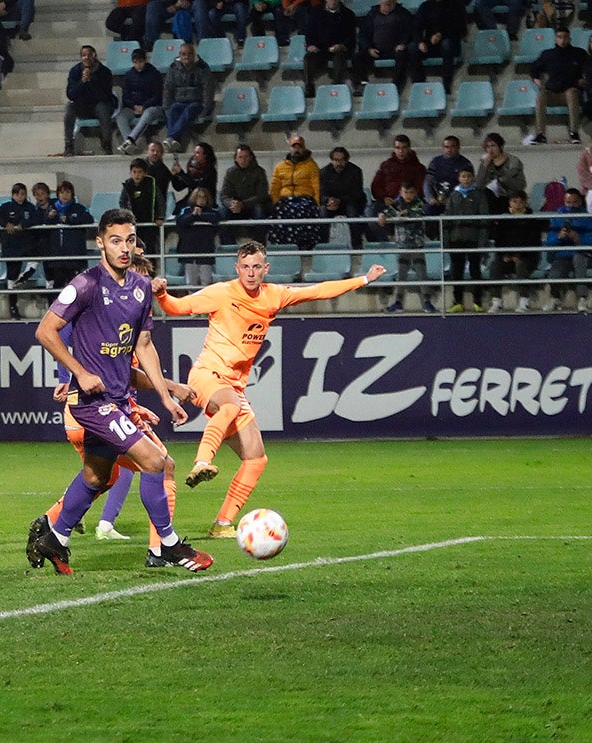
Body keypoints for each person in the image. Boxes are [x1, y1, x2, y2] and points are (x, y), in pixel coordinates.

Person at [151, 241, 386, 537]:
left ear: (266, 269)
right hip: (206, 376)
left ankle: (222, 524)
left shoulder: (274, 296)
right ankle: (201, 462)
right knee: (231, 405)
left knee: (256, 458)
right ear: (237, 269)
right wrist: (161, 294)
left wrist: (363, 279)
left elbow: (318, 290)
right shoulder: (222, 293)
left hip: (234, 384)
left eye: (256, 267)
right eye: (245, 267)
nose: (251, 273)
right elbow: (178, 307)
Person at [28, 208, 212, 574]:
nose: (124, 247)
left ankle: (55, 537)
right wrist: (79, 372)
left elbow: (143, 347)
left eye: (129, 239)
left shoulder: (141, 288)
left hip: (116, 401)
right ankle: (169, 546)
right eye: (115, 240)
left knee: (98, 477)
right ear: (100, 243)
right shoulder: (85, 285)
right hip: (90, 402)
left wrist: (164, 395)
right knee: (156, 462)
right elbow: (45, 331)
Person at [375, 180, 432, 313]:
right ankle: (398, 302)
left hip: (417, 245)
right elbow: (387, 212)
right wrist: (382, 215)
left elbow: (419, 214)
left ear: (415, 193)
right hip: (402, 245)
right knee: (401, 275)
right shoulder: (396, 204)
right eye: (405, 192)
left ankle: (427, 302)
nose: (408, 195)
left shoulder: (419, 203)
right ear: (400, 192)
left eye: (411, 192)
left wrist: (405, 214)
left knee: (421, 274)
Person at [525, 27, 587, 146]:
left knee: (572, 93)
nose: (562, 40)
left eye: (565, 37)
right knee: (541, 95)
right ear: (555, 39)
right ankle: (540, 134)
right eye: (559, 37)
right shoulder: (548, 54)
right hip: (553, 92)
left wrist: (584, 80)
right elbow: (534, 69)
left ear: (570, 39)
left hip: (571, 90)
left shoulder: (579, 53)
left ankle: (574, 132)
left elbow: (590, 69)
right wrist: (536, 79)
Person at [442, 166, 491, 313]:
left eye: (469, 176)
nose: (466, 179)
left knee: (475, 271)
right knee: (456, 271)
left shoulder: (479, 195)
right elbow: (447, 219)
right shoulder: (453, 195)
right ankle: (458, 301)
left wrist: (482, 241)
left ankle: (478, 301)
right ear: (459, 178)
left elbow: (484, 219)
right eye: (463, 176)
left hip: (474, 239)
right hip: (456, 239)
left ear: (473, 178)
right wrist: (446, 241)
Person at [487, 190, 544, 312]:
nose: (517, 204)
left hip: (528, 258)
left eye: (520, 202)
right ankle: (496, 301)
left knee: (521, 265)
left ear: (525, 203)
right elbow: (499, 241)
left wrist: (520, 255)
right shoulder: (503, 219)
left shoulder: (532, 220)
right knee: (495, 266)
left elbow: (534, 242)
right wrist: (505, 255)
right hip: (507, 257)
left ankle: (524, 301)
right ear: (509, 202)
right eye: (514, 201)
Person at [543, 187, 592, 312]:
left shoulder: (588, 218)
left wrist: (579, 240)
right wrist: (558, 238)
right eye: (568, 203)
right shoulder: (556, 218)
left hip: (582, 253)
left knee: (579, 259)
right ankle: (555, 297)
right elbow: (549, 243)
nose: (571, 206)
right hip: (563, 254)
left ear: (580, 202)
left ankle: (582, 298)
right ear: (564, 202)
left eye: (574, 202)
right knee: (555, 271)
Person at [0, 182, 38, 320]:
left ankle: (23, 278)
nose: (21, 197)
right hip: (11, 247)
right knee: (11, 277)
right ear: (13, 195)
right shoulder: (6, 207)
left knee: (35, 261)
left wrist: (24, 224)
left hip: (27, 245)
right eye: (18, 194)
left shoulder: (30, 208)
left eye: (23, 194)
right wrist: (6, 224)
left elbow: (36, 218)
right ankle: (13, 306)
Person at [268, 132, 321, 249]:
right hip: (285, 199)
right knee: (278, 213)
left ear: (303, 148)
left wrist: (317, 203)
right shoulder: (280, 166)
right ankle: (283, 246)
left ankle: (304, 246)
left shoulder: (312, 166)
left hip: (305, 198)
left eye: (299, 147)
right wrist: (275, 202)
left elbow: (316, 186)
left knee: (303, 212)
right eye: (294, 147)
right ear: (290, 148)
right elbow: (274, 187)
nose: (296, 150)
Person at [351, 0, 415, 94]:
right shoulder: (372, 14)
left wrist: (404, 44)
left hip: (396, 50)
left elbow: (411, 32)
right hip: (376, 50)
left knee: (402, 56)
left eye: (391, 1)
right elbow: (363, 35)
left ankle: (396, 87)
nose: (388, 3)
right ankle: (362, 85)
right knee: (357, 57)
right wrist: (369, 48)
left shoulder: (403, 14)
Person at [161, 42, 214, 153]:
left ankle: (171, 137)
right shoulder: (173, 68)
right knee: (174, 109)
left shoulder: (202, 68)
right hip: (179, 101)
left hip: (196, 102)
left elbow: (208, 89)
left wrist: (205, 109)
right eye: (184, 54)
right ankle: (174, 141)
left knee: (189, 110)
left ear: (193, 54)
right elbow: (168, 88)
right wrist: (166, 107)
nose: (186, 57)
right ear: (180, 55)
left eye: (189, 54)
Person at [64, 45, 116, 157]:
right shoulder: (75, 71)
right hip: (82, 106)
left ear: (95, 56)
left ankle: (107, 144)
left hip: (98, 104)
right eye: (83, 55)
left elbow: (105, 95)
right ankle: (68, 145)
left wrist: (91, 80)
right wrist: (83, 82)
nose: (86, 58)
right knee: (69, 108)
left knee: (103, 108)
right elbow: (71, 94)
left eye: (89, 55)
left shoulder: (105, 72)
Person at [41, 180, 92, 290]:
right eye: (62, 192)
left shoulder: (79, 208)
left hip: (74, 256)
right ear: (58, 194)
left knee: (76, 287)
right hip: (57, 257)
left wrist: (70, 219)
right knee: (58, 286)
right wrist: (50, 217)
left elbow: (89, 219)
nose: (65, 195)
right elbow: (44, 223)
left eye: (68, 192)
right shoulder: (51, 208)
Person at [114, 48, 165, 156]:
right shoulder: (129, 75)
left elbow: (157, 96)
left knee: (148, 114)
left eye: (141, 62)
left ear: (145, 60)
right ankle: (129, 144)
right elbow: (126, 96)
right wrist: (134, 106)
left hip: (153, 106)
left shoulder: (154, 74)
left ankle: (130, 140)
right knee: (121, 116)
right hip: (134, 107)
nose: (138, 65)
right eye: (135, 62)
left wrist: (144, 106)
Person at [218, 143, 270, 243]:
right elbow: (224, 195)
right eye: (240, 157)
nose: (243, 160)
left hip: (253, 205)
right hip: (236, 206)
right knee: (222, 214)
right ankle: (228, 247)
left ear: (251, 157)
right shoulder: (230, 172)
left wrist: (243, 204)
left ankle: (259, 246)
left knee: (260, 214)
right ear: (236, 158)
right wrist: (231, 204)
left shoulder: (259, 172)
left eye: (246, 157)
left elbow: (262, 195)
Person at [303, 0, 355, 98]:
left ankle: (337, 86)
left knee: (340, 58)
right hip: (320, 48)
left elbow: (351, 37)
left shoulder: (348, 14)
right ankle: (309, 87)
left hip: (338, 48)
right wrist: (310, 45)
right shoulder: (315, 12)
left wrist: (341, 45)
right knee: (308, 57)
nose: (333, 1)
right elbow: (309, 32)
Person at [369, 133, 427, 220]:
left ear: (409, 148)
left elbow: (421, 187)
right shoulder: (386, 165)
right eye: (398, 148)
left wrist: (409, 198)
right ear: (394, 149)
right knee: (371, 211)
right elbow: (376, 185)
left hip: (411, 202)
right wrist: (384, 198)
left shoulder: (418, 168)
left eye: (404, 147)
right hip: (388, 202)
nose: (401, 151)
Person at [411, 0, 464, 93]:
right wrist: (420, 42)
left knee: (446, 44)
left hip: (450, 43)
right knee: (413, 47)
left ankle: (447, 82)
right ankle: (418, 82)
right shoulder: (425, 6)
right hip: (431, 44)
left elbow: (460, 28)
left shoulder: (456, 5)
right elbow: (416, 27)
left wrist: (441, 34)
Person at [319, 145, 366, 246]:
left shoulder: (355, 171)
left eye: (342, 160)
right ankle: (322, 247)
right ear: (331, 160)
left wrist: (339, 201)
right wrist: (328, 201)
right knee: (322, 214)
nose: (339, 163)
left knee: (353, 214)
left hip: (350, 203)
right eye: (336, 160)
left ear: (347, 160)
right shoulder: (323, 172)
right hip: (331, 205)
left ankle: (357, 247)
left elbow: (356, 193)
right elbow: (321, 193)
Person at [120, 156, 165, 256]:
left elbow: (160, 201)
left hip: (149, 223)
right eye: (134, 172)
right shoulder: (127, 185)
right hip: (133, 224)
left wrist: (160, 217)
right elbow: (122, 202)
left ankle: (149, 271)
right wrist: (126, 218)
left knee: (150, 249)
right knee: (133, 249)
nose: (137, 175)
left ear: (145, 173)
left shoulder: (152, 184)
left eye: (139, 172)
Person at [176, 186, 220, 285]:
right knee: (191, 282)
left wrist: (200, 215)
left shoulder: (211, 211)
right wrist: (193, 215)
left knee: (207, 281)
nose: (201, 200)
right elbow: (180, 221)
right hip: (190, 252)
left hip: (206, 251)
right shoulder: (186, 210)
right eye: (199, 197)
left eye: (204, 197)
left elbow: (217, 218)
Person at [477, 131, 526, 214]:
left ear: (500, 146)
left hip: (510, 195)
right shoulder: (486, 162)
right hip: (492, 198)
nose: (490, 149)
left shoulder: (513, 161)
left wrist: (499, 179)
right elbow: (479, 184)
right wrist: (484, 166)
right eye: (488, 147)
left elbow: (517, 183)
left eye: (493, 146)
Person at [421, 134, 470, 215]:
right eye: (446, 147)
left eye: (452, 147)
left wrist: (453, 200)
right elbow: (427, 183)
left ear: (458, 148)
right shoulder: (435, 162)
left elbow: (469, 186)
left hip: (458, 202)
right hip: (437, 202)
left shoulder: (465, 164)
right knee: (427, 210)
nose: (449, 150)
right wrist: (430, 199)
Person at [170, 140, 218, 212]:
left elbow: (196, 186)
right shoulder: (192, 169)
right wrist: (174, 175)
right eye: (194, 152)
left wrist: (181, 173)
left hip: (205, 201)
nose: (194, 155)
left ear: (205, 155)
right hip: (192, 200)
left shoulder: (210, 171)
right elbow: (179, 187)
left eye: (198, 153)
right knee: (177, 208)